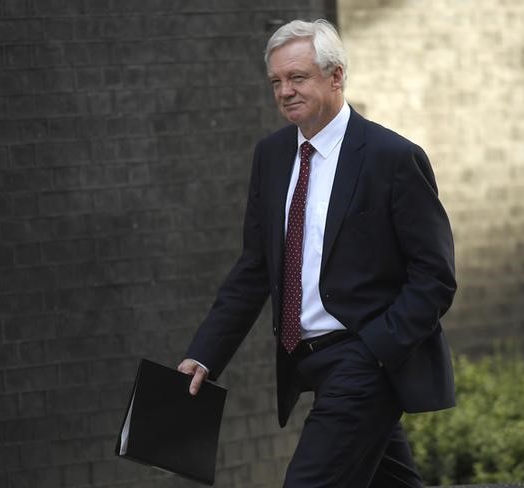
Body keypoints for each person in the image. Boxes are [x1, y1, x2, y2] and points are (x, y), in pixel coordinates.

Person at [178, 18, 457, 487]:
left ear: (336, 76)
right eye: (276, 81)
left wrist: (376, 349)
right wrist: (204, 355)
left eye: (297, 77)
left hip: (363, 359)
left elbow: (435, 275)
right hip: (308, 361)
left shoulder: (391, 158)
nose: (285, 90)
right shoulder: (271, 156)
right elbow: (254, 269)